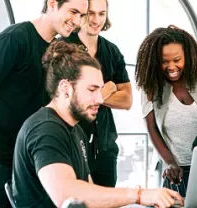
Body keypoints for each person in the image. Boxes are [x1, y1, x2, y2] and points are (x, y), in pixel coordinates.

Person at [11, 40, 183, 208]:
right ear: (65, 88)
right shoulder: (45, 130)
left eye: (100, 90)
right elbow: (68, 197)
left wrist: (146, 196)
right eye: (92, 90)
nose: (100, 99)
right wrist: (138, 195)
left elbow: (90, 191)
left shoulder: (76, 130)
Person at [0, 0, 88, 207]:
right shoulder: (14, 39)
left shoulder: (62, 49)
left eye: (82, 15)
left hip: (34, 157)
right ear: (53, 4)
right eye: (73, 12)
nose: (77, 21)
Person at [135, 25, 197, 195]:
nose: (171, 67)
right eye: (164, 61)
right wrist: (170, 162)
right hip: (177, 172)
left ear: (188, 56)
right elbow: (152, 128)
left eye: (177, 60)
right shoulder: (150, 85)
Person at [63, 0, 132, 187]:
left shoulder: (112, 51)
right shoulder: (63, 48)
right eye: (90, 13)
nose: (96, 20)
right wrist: (107, 89)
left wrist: (92, 94)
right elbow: (66, 98)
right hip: (71, 145)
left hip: (105, 148)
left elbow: (127, 100)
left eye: (102, 14)